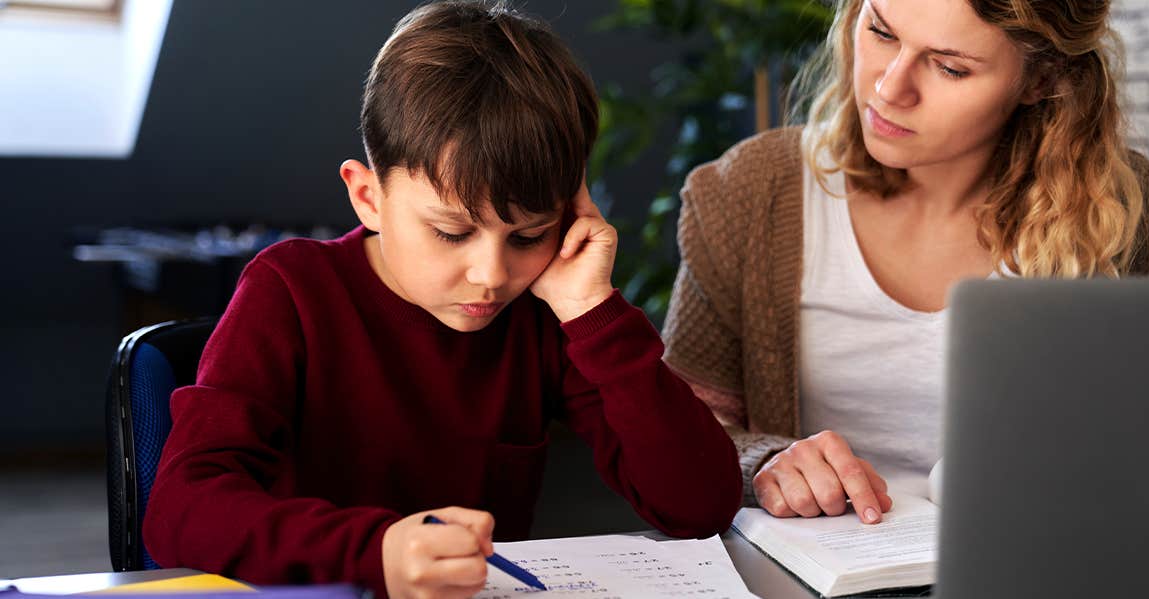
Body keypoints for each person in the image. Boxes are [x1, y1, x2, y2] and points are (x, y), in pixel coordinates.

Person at [142, 2, 742, 598]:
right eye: (451, 232)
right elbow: (180, 510)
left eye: (529, 235)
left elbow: (699, 506)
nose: (491, 275)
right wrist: (375, 553)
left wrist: (593, 311)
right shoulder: (290, 290)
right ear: (369, 196)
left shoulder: (542, 308)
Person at [662, 0, 1149, 526]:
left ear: (1042, 79)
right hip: (813, 577)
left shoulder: (1131, 212)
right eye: (881, 31)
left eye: (949, 67)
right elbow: (678, 430)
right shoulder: (750, 193)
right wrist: (764, 462)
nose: (890, 87)